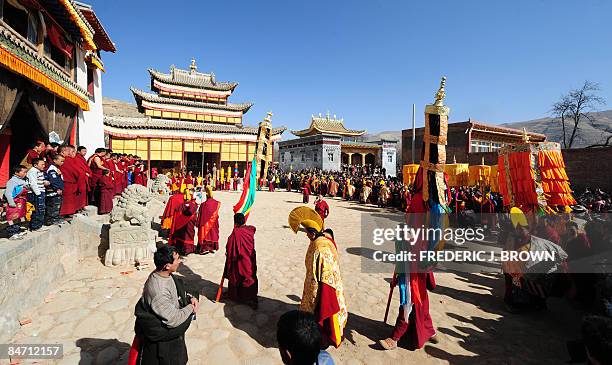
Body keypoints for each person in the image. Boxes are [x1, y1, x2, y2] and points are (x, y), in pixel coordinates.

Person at [288, 206, 347, 348]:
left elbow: (317, 279)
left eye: (307, 233)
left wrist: (311, 298)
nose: (307, 236)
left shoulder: (319, 249)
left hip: (325, 285)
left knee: (321, 313)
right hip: (332, 281)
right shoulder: (326, 240)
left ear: (313, 233)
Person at [132, 245, 198, 365]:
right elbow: (173, 319)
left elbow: (179, 287)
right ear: (167, 266)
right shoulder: (159, 292)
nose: (179, 262)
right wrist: (191, 308)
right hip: (163, 345)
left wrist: (190, 297)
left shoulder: (163, 274)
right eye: (177, 259)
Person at [223, 212, 258, 308]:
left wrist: (228, 253)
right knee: (250, 276)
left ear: (235, 223)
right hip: (250, 259)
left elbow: (229, 246)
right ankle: (251, 297)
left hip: (241, 260)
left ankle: (239, 296)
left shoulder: (236, 233)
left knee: (237, 275)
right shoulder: (249, 231)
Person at [3, 165, 29, 240]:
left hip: (21, 202)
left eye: (26, 172)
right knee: (13, 218)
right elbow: (8, 193)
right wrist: (11, 203)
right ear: (16, 172)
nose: (25, 174)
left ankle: (17, 231)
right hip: (14, 202)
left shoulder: (23, 181)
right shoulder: (12, 181)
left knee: (19, 217)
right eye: (23, 172)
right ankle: (12, 233)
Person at [197, 186, 220, 254]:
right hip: (214, 221)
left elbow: (200, 215)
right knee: (213, 234)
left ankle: (205, 248)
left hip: (205, 224)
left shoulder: (203, 205)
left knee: (205, 235)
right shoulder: (217, 203)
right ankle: (212, 247)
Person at [27, 158, 49, 232]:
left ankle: (39, 224)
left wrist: (44, 182)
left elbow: (38, 181)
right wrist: (38, 194)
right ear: (35, 165)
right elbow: (33, 183)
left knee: (41, 209)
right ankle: (36, 226)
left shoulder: (38, 171)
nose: (44, 166)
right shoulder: (32, 171)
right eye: (42, 164)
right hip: (35, 193)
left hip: (40, 191)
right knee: (37, 209)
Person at [45, 154, 64, 225]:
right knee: (53, 206)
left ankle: (55, 218)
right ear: (55, 160)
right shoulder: (52, 169)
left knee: (56, 205)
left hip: (56, 190)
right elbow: (54, 180)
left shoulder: (56, 168)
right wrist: (58, 188)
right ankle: (51, 220)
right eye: (61, 161)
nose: (63, 163)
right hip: (53, 191)